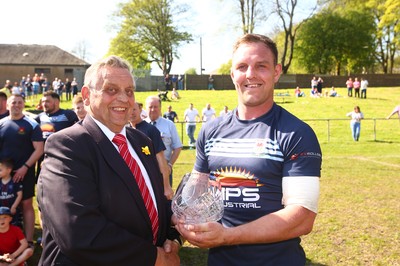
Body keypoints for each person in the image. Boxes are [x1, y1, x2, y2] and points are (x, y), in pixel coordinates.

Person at [175, 33, 322, 266]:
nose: (250, 74)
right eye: (242, 66)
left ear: (276, 72)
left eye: (261, 66)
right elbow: (195, 192)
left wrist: (228, 236)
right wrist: (181, 219)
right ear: (233, 74)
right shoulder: (210, 131)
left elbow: (302, 218)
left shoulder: (296, 133)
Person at [37, 55, 180, 265]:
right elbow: (79, 232)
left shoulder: (142, 141)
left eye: (129, 91)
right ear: (86, 96)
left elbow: (153, 199)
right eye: (111, 89)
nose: (124, 98)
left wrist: (172, 237)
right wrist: (155, 257)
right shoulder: (67, 145)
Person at [0, 94, 44, 247]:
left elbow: (39, 149)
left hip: (24, 173)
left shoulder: (31, 124)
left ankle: (29, 240)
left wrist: (24, 168)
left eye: (19, 102)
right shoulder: (1, 124)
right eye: (13, 102)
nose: (16, 105)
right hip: (3, 174)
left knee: (26, 204)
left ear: (24, 105)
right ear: (7, 105)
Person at [129, 102, 174, 200]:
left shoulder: (151, 130)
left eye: (134, 109)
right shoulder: (124, 130)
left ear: (140, 110)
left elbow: (161, 160)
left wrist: (166, 186)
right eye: (129, 109)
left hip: (151, 180)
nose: (131, 112)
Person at [35, 91, 78, 178]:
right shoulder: (40, 117)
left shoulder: (68, 115)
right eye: (43, 102)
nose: (44, 104)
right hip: (44, 155)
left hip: (62, 154)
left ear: (57, 102)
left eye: (47, 101)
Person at [145, 96, 182, 187]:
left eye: (155, 107)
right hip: (146, 169)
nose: (153, 109)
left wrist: (170, 165)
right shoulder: (140, 125)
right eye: (150, 107)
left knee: (165, 197)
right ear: (146, 108)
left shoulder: (169, 125)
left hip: (164, 168)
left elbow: (177, 146)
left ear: (160, 108)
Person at [0, 159, 23, 228]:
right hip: (1, 211)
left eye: (0, 170)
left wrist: (14, 207)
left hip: (12, 211)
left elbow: (20, 195)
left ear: (9, 170)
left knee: (13, 226)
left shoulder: (15, 182)